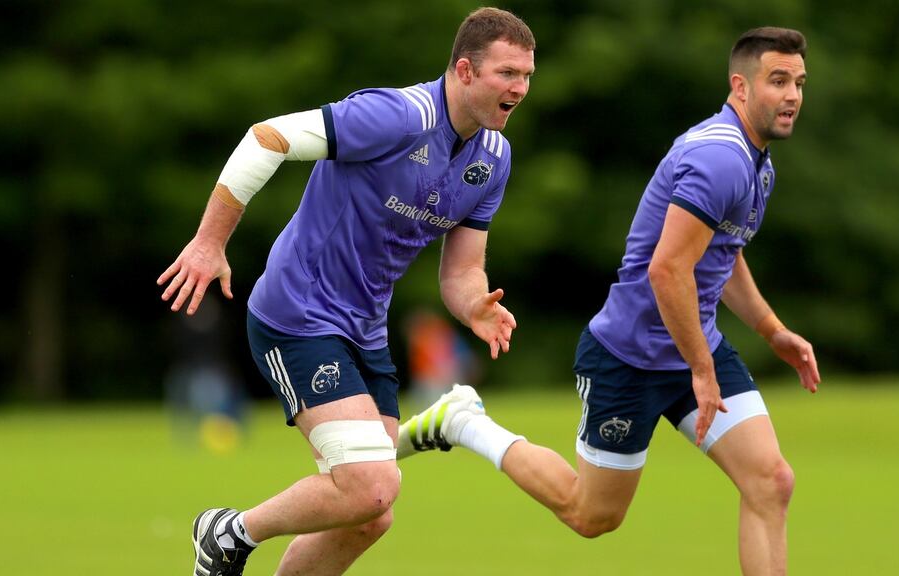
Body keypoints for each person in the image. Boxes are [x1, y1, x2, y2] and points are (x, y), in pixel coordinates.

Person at [398, 27, 819, 576]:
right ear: (740, 86)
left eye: (799, 83)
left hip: (693, 346)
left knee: (771, 481)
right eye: (778, 81)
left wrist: (770, 330)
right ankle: (463, 422)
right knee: (591, 515)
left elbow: (721, 253)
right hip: (630, 357)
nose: (792, 96)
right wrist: (702, 369)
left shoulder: (756, 161)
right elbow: (667, 270)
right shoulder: (721, 159)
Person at [157, 7, 535, 576]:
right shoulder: (396, 116)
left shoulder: (494, 160)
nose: (520, 88)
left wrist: (474, 307)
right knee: (372, 487)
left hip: (365, 331)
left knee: (369, 516)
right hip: (298, 312)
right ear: (464, 70)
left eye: (526, 75)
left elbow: (461, 274)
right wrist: (210, 243)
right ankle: (227, 534)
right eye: (507, 73)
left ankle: (238, 537)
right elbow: (267, 138)